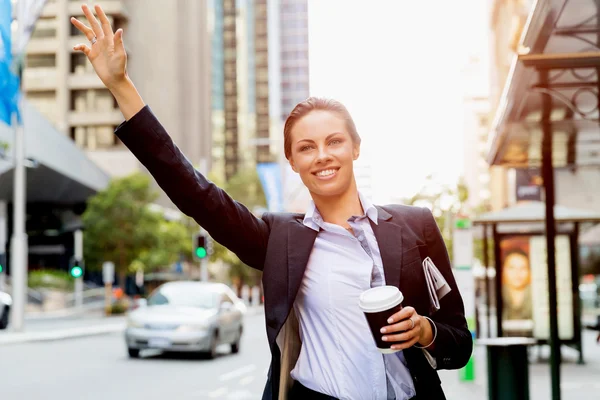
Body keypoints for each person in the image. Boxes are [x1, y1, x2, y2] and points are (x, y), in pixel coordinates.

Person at [71, 5, 472, 399]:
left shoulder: (415, 225)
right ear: (293, 161)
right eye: (307, 147)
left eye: (334, 141)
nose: (323, 155)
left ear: (356, 148)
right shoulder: (279, 239)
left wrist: (426, 332)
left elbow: (459, 343)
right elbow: (194, 192)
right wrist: (121, 85)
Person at [501, 248, 533, 322]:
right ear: (503, 270)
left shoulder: (536, 294)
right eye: (512, 268)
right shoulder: (496, 294)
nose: (517, 273)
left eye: (523, 268)